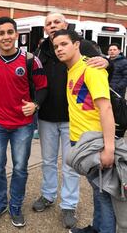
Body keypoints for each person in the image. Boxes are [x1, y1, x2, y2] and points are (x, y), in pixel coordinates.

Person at [32, 13, 109, 229]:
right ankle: (47, 195)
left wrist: (108, 61)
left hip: (72, 120)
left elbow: (102, 66)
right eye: (49, 23)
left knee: (71, 165)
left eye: (57, 22)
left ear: (65, 25)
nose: (53, 25)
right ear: (45, 29)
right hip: (47, 117)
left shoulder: (81, 45)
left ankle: (68, 204)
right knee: (47, 161)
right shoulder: (41, 50)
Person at [0, 17, 47, 227]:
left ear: (16, 35)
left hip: (22, 125)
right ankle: (0, 203)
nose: (6, 37)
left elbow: (43, 87)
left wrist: (35, 104)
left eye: (9, 32)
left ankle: (15, 207)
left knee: (20, 168)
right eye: (1, 33)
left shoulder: (30, 60)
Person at [52, 29, 117, 233]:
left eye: (64, 44)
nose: (59, 49)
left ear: (77, 44)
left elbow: (105, 107)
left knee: (103, 194)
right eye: (56, 46)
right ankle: (97, 229)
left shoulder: (91, 69)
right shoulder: (72, 69)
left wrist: (109, 148)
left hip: (95, 142)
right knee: (98, 191)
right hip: (80, 141)